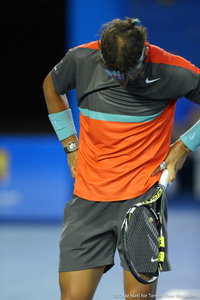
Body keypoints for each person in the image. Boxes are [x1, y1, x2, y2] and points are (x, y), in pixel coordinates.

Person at [43, 17, 200, 300]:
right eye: (114, 73)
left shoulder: (171, 69)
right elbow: (51, 87)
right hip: (89, 200)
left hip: (143, 200)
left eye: (130, 72)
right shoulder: (80, 59)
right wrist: (70, 145)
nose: (122, 80)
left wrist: (183, 147)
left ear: (144, 54)